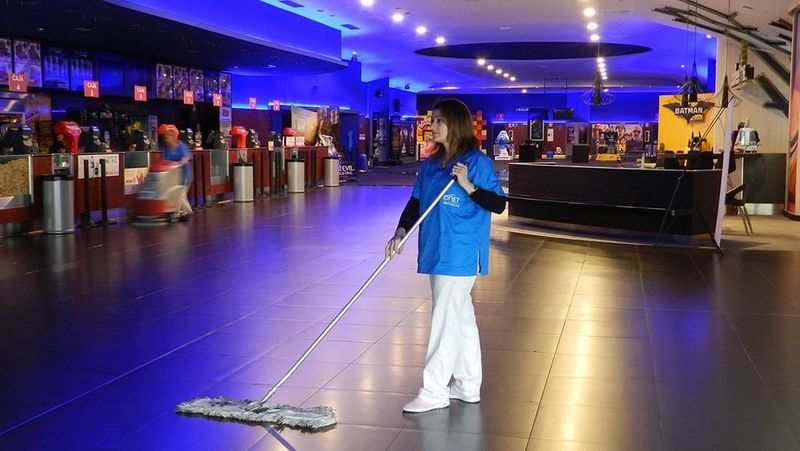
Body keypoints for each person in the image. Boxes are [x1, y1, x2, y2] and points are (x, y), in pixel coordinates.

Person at [385, 98, 506, 413]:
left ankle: (434, 390)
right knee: (460, 318)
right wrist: (400, 231)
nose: (432, 126)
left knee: (444, 319)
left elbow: (498, 204)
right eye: (432, 120)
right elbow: (415, 202)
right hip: (437, 246)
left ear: (455, 123)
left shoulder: (476, 162)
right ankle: (467, 385)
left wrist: (468, 185)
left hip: (461, 251)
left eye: (439, 120)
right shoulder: (431, 164)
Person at [159, 124, 193, 221]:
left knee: (181, 195)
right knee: (176, 196)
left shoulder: (182, 147)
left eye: (168, 137)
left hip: (184, 176)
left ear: (174, 137)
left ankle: (187, 212)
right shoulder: (166, 150)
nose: (166, 139)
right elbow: (164, 162)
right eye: (165, 137)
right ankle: (178, 213)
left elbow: (187, 157)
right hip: (173, 178)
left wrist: (183, 160)